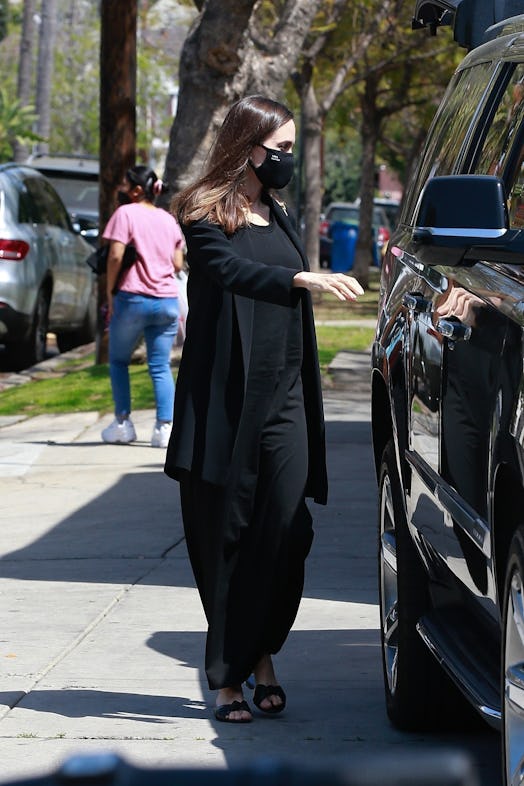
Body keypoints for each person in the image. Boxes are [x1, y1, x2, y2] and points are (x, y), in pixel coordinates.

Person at [164, 95, 364, 723]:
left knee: (287, 532)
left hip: (285, 399)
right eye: (277, 150)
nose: (284, 160)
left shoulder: (275, 212)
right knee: (225, 538)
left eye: (289, 150)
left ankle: (259, 648)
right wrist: (302, 281)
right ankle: (235, 676)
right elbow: (225, 271)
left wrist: (305, 278)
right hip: (228, 404)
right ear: (246, 147)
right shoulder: (204, 214)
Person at [101, 165, 184, 449]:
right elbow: (177, 263)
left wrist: (111, 292)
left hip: (133, 298)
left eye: (124, 184)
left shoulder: (125, 214)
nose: (121, 189)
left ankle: (123, 423)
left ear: (136, 190)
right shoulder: (168, 220)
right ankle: (165, 428)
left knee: (118, 360)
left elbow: (114, 255)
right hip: (167, 302)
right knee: (160, 365)